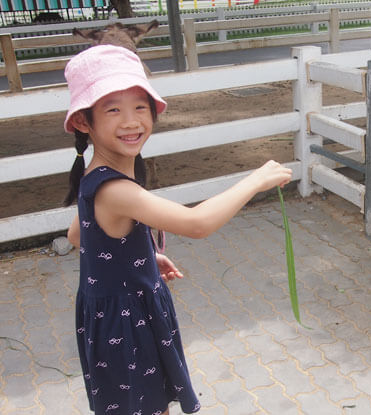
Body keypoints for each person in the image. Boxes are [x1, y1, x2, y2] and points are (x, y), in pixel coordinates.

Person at [63, 45, 292, 415]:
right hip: (126, 329)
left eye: (140, 106)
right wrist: (255, 180)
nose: (131, 121)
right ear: (84, 122)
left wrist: (140, 257)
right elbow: (196, 224)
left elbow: (79, 236)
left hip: (120, 318)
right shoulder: (116, 188)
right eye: (113, 109)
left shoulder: (98, 176)